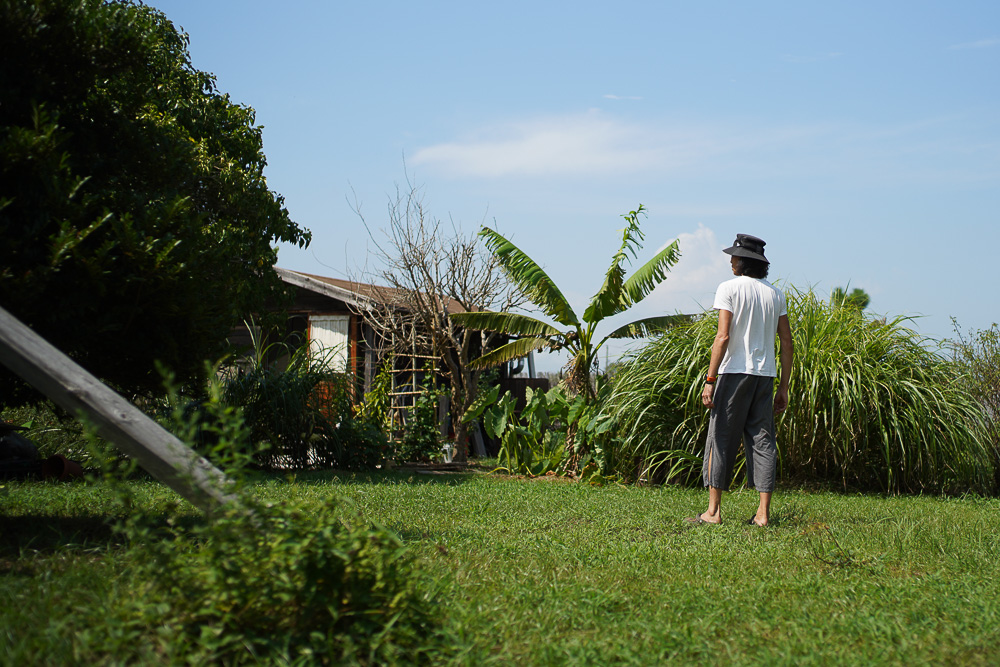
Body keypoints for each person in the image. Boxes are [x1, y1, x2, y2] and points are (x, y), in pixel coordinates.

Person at [686, 234, 793, 527]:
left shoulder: (728, 288)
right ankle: (762, 514)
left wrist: (710, 379)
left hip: (733, 373)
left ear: (743, 262)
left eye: (734, 256)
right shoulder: (776, 294)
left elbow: (722, 336)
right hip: (765, 376)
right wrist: (783, 386)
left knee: (720, 438)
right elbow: (787, 342)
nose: (731, 261)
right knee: (763, 441)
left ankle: (713, 512)